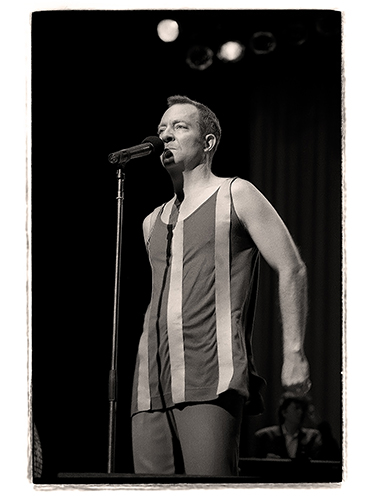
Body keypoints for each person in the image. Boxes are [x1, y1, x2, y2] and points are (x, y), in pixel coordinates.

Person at [130, 95, 311, 476]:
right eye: (162, 130)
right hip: (149, 380)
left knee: (209, 489)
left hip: (209, 372)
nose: (166, 137)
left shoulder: (236, 193)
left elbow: (292, 267)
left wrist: (294, 352)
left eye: (180, 127)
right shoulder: (151, 222)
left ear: (208, 142)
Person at [254, 392, 322, 460]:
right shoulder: (265, 436)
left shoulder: (312, 436)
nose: (300, 412)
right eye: (296, 408)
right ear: (284, 412)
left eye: (302, 409)